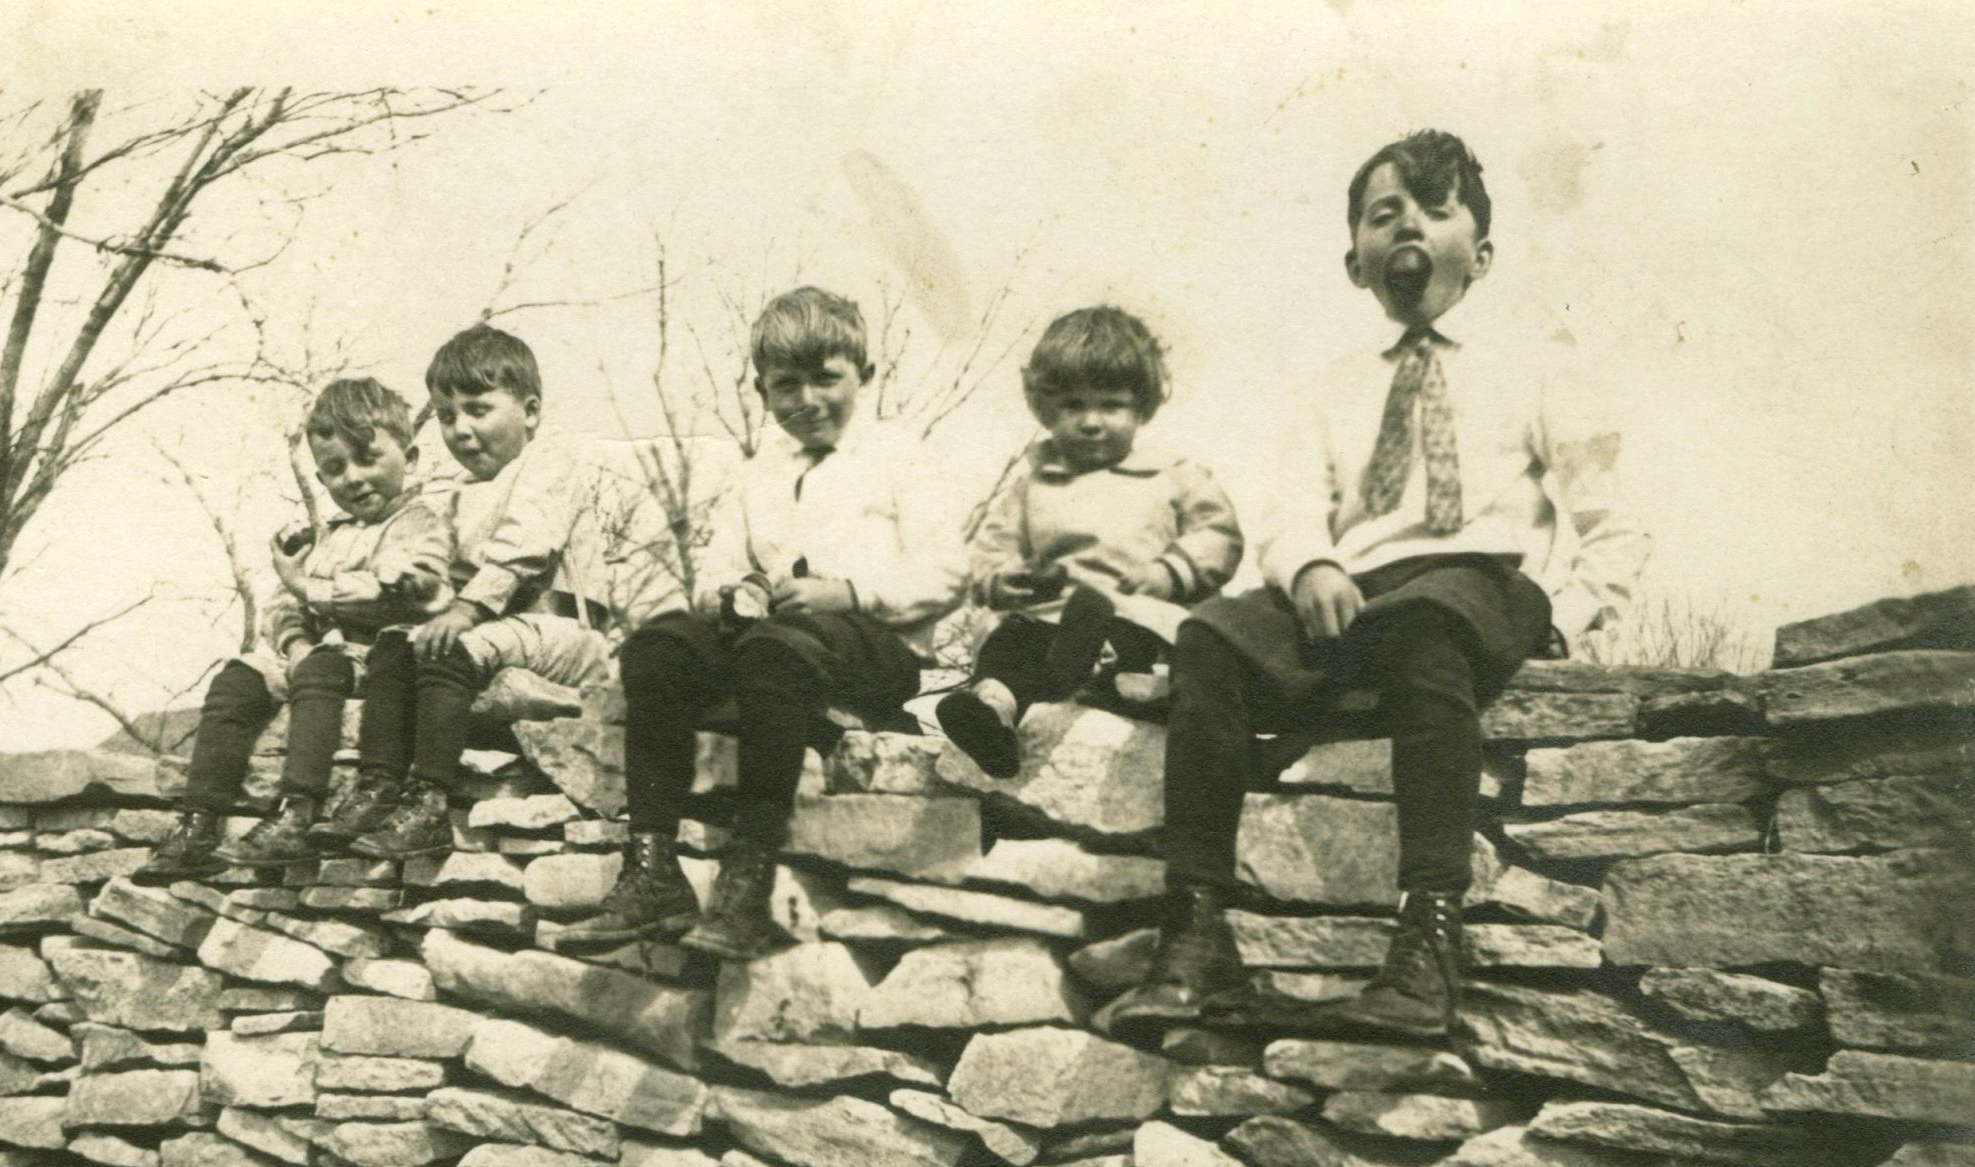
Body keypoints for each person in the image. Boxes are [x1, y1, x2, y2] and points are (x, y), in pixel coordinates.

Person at [1106, 130, 1648, 1041]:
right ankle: (1195, 933)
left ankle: (1429, 940)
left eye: (1436, 212)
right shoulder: (1329, 388)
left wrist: (1571, 613)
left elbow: (1612, 519)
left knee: (1429, 624)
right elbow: (1288, 510)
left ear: (1480, 254)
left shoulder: (1537, 368)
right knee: (1207, 635)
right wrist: (1311, 563)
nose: (1408, 229)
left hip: (1474, 583)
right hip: (1356, 594)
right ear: (1354, 261)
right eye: (1382, 214)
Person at [559, 286, 964, 959]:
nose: (805, 399)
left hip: (874, 643)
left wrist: (849, 590)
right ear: (761, 389)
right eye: (785, 384)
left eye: (825, 378)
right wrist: (739, 587)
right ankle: (653, 867)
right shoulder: (760, 471)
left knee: (774, 651)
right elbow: (722, 561)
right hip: (773, 640)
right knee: (659, 645)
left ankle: (747, 883)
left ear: (864, 376)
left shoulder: (900, 456)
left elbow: (948, 571)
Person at [132, 377, 450, 884]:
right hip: (320, 658)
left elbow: (392, 589)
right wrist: (296, 641)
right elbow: (282, 603)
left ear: (409, 458)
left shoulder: (421, 524)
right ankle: (200, 822)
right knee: (237, 676)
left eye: (367, 458)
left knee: (323, 666)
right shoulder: (328, 537)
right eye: (334, 469)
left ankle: (297, 808)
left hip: (381, 659)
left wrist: (308, 587)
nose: (353, 478)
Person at [328, 324, 620, 861]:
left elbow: (523, 546)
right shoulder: (457, 493)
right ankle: (378, 784)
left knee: (455, 647)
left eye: (477, 410)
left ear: (529, 410)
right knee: (395, 645)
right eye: (445, 415)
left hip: (562, 630)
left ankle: (430, 800)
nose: (459, 429)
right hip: (499, 626)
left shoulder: (551, 461)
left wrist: (463, 610)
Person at [939, 305, 1243, 777]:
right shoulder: (1034, 484)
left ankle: (1091, 678)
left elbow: (1217, 534)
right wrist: (1004, 579)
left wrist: (1167, 573)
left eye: (1110, 405)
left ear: (1141, 406)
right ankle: (992, 712)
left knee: (1103, 619)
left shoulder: (1173, 475)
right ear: (1046, 409)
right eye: (1073, 406)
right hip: (1047, 621)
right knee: (1010, 638)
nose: (1091, 421)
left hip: (1135, 619)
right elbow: (991, 548)